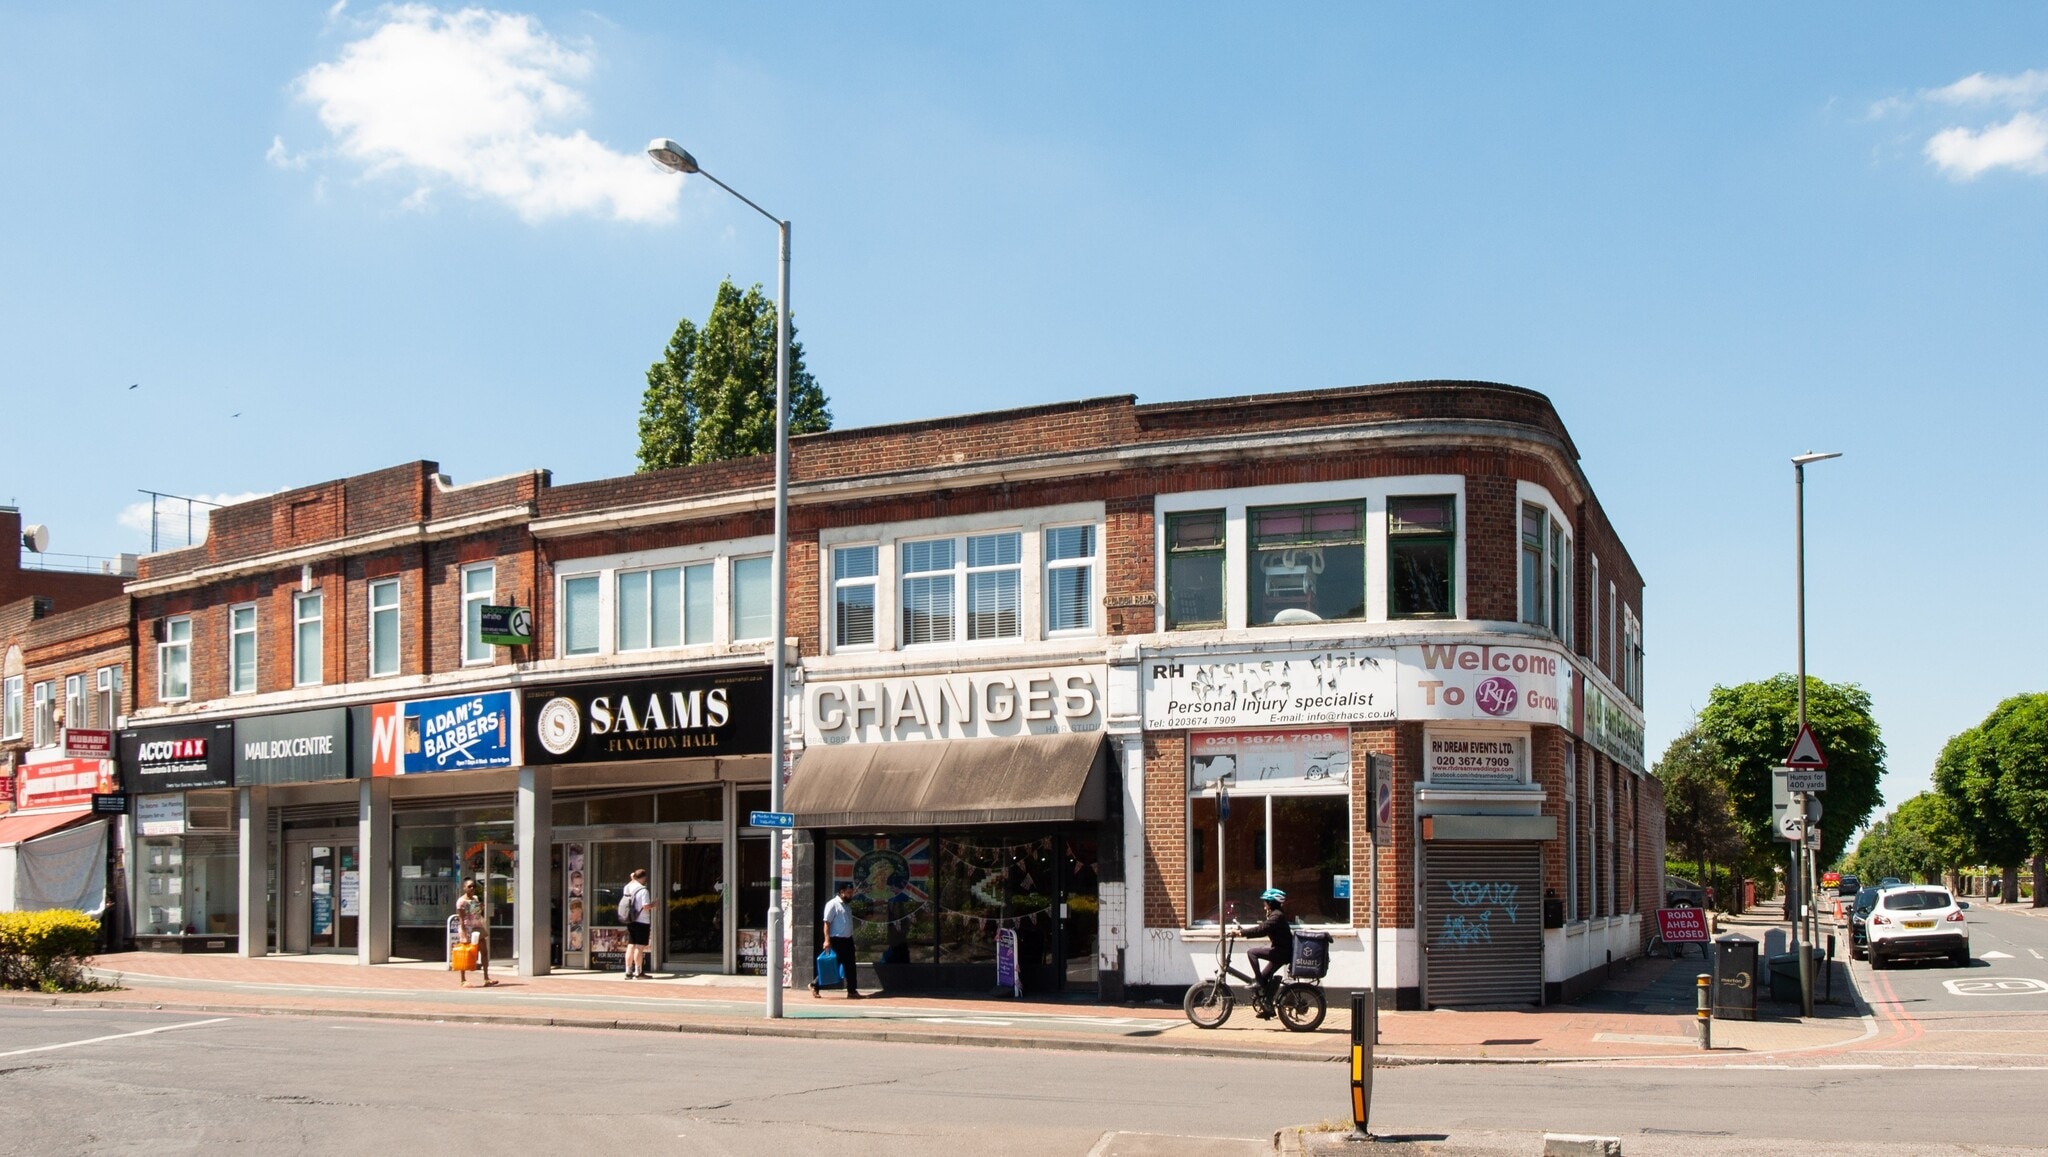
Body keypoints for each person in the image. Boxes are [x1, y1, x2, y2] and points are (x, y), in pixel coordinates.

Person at [1239, 887, 1294, 1018]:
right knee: (1264, 977)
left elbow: (1262, 930)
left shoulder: (1276, 916)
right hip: (1281, 952)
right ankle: (1268, 1007)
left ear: (1271, 902)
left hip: (1281, 953)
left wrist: (1241, 932)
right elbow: (1263, 928)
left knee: (1252, 952)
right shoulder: (1276, 915)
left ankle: (1258, 982)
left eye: (1265, 902)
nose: (1264, 904)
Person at [816, 880, 862, 999]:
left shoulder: (846, 906)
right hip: (836, 940)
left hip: (848, 940)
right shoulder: (833, 904)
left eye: (851, 892)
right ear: (842, 892)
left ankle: (852, 991)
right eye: (848, 892)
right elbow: (826, 923)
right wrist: (826, 941)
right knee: (832, 965)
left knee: (850, 966)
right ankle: (814, 985)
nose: (850, 895)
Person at [455, 878, 493, 987]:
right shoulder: (461, 902)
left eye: (474, 886)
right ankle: (463, 979)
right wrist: (463, 935)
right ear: (464, 888)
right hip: (467, 929)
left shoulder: (475, 899)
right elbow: (461, 919)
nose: (472, 888)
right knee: (465, 953)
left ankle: (486, 978)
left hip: (477, 927)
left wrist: (479, 908)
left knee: (484, 952)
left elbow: (476, 914)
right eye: (469, 886)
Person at [622, 868, 653, 979]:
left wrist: (632, 878)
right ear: (643, 878)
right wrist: (654, 904)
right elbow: (645, 906)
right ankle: (638, 972)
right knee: (639, 948)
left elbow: (630, 884)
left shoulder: (627, 887)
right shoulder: (643, 890)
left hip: (631, 920)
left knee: (631, 945)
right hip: (642, 921)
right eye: (645, 878)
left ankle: (628, 971)